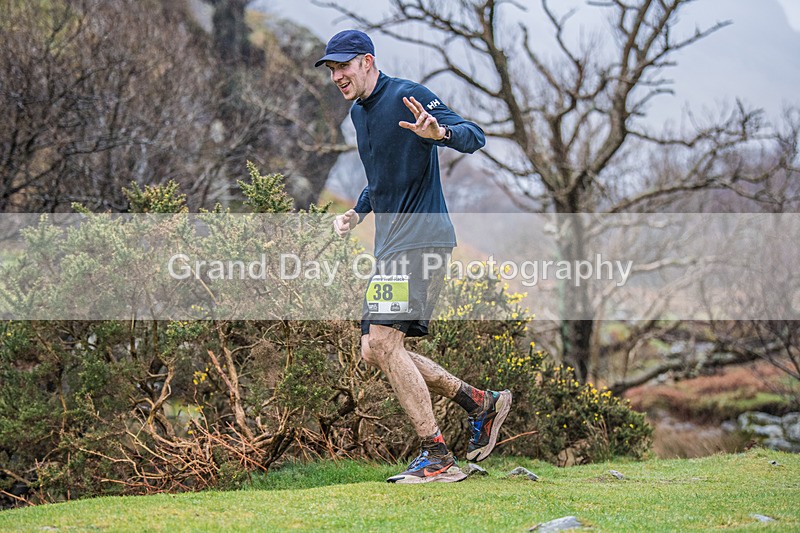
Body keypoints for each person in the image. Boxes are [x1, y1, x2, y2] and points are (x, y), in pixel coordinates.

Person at [317, 29, 512, 484]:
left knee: (384, 342)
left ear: (367, 61)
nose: (337, 76)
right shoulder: (359, 115)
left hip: (421, 237)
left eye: (343, 66)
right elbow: (383, 178)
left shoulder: (408, 95)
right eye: (331, 69)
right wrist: (357, 212)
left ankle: (437, 456)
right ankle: (478, 401)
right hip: (391, 244)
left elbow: (473, 135)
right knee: (374, 349)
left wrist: (438, 132)